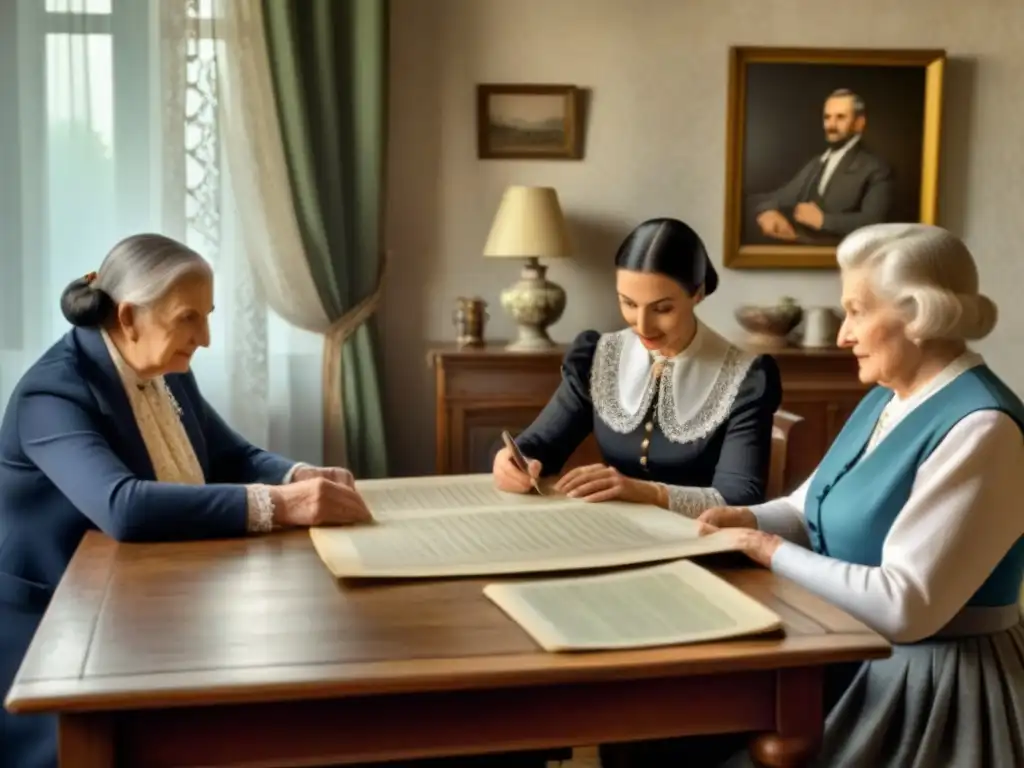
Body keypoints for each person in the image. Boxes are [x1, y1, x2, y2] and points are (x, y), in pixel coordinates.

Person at [0, 234, 380, 768]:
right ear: (129, 317)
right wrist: (284, 504)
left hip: (137, 604)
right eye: (188, 318)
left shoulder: (166, 371)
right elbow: (123, 507)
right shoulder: (51, 394)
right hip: (54, 631)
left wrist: (298, 473)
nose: (203, 337)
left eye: (208, 316)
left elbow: (233, 455)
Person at [694, 223, 1023, 768]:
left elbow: (905, 606)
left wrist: (766, 549)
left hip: (934, 691)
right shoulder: (890, 398)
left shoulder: (983, 427)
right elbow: (807, 506)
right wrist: (747, 517)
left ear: (919, 315)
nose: (844, 334)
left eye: (856, 311)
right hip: (852, 655)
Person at [493, 217, 783, 518]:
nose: (642, 326)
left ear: (697, 292)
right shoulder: (598, 357)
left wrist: (647, 492)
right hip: (614, 533)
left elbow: (740, 499)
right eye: (628, 303)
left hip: (701, 544)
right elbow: (540, 446)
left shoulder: (745, 377)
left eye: (662, 309)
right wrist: (513, 462)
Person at [752, 88, 894, 244]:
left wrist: (823, 221)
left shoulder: (875, 168)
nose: (831, 125)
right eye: (827, 117)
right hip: (802, 254)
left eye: (840, 117)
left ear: (859, 123)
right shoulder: (816, 163)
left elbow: (876, 222)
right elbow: (782, 196)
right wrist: (766, 211)